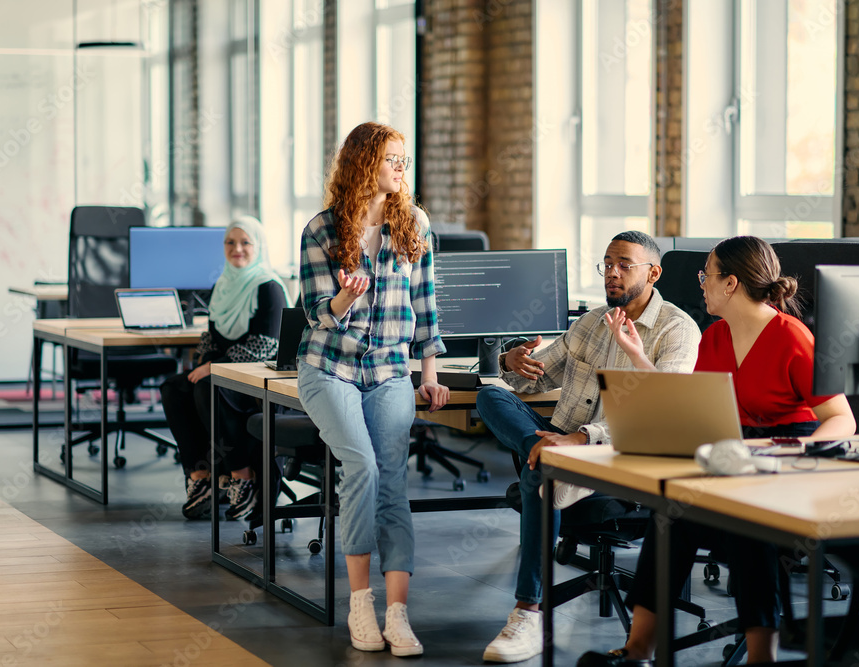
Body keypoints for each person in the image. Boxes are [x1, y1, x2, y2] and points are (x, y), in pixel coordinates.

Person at [580, 235, 856, 667]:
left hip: (786, 462)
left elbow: (842, 419)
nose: (700, 284)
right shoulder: (716, 336)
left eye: (705, 275)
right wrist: (637, 355)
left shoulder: (791, 337)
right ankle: (637, 651)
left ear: (730, 284)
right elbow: (687, 404)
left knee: (751, 519)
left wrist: (784, 453)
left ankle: (762, 657)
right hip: (734, 455)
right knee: (670, 511)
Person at [475, 231, 702, 664]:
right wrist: (509, 360)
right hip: (561, 439)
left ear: (653, 273)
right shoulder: (592, 322)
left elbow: (663, 413)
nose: (612, 273)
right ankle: (542, 450)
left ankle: (528, 611)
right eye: (607, 263)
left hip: (620, 456)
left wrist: (582, 439)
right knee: (491, 397)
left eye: (624, 264)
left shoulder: (678, 330)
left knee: (538, 469)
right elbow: (531, 380)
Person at [295, 121, 448, 658]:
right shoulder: (322, 230)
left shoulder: (415, 224)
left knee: (391, 482)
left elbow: (425, 307)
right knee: (359, 466)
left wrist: (428, 375)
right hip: (329, 367)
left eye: (404, 160)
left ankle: (397, 613)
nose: (401, 169)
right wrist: (345, 298)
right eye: (391, 160)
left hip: (389, 371)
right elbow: (318, 315)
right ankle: (360, 602)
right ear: (364, 163)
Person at [160, 216, 289, 521]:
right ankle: (200, 477)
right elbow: (211, 335)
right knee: (175, 388)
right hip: (223, 374)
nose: (237, 249)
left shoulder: (269, 288)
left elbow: (265, 346)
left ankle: (242, 477)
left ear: (259, 247)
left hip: (256, 380)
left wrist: (215, 368)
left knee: (207, 385)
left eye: (246, 242)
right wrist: (204, 361)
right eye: (230, 243)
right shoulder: (223, 285)